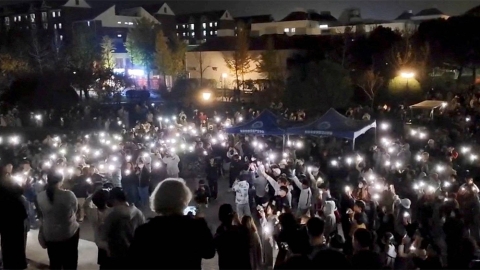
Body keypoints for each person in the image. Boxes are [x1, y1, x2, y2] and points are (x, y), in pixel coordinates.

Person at [129, 178, 215, 269]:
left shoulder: (144, 231)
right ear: (183, 200)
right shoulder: (194, 227)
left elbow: (134, 261)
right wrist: (201, 222)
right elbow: (209, 252)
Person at [37, 171, 80, 269]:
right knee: (70, 261)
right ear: (61, 180)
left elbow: (41, 213)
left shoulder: (40, 196)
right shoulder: (68, 195)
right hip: (68, 232)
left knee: (54, 262)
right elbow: (75, 210)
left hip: (50, 234)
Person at [103, 187, 145, 268]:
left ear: (114, 199)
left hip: (117, 254)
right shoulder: (138, 212)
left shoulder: (112, 215)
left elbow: (104, 234)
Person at [0, 173, 28, 269]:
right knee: (17, 246)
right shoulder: (16, 195)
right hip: (16, 221)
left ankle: (8, 264)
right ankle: (17, 264)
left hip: (5, 223)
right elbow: (20, 191)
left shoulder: (5, 192)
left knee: (7, 246)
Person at [214, 204, 251, 269]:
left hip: (225, 266)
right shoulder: (237, 231)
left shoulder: (219, 231)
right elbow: (247, 236)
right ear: (232, 216)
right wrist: (238, 221)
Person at [84, 189, 112, 269]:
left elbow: (86, 205)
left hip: (99, 241)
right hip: (112, 242)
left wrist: (93, 194)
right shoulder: (112, 212)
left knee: (103, 263)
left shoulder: (92, 213)